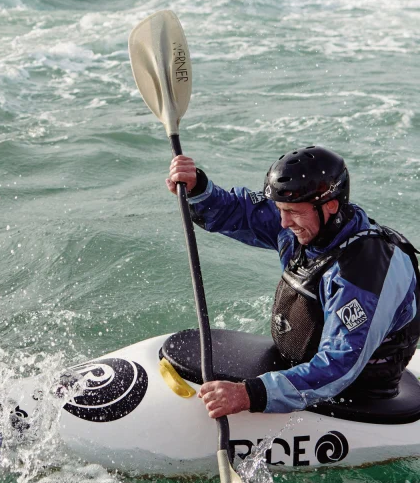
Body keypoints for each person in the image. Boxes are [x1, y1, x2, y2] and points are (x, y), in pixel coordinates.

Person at [166, 146, 420, 418]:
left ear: (331, 205)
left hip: (356, 390)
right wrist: (197, 188)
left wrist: (250, 394)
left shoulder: (363, 272)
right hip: (300, 361)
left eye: (293, 212)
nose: (284, 222)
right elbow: (238, 211)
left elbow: (340, 366)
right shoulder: (309, 220)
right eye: (280, 210)